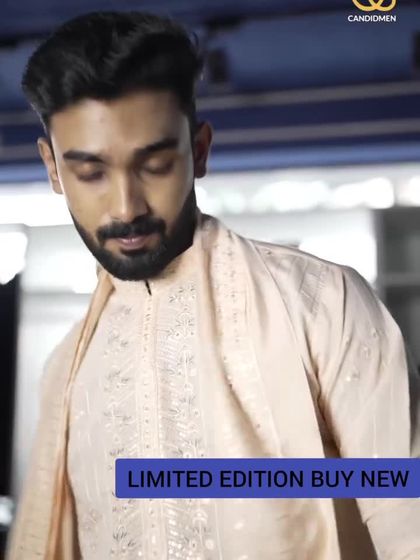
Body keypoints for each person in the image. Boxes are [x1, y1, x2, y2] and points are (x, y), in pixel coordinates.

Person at [7, 10, 420, 560]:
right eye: (91, 173)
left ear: (198, 151)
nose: (126, 207)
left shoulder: (321, 304)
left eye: (155, 164)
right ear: (53, 170)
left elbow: (404, 504)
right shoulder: (66, 370)